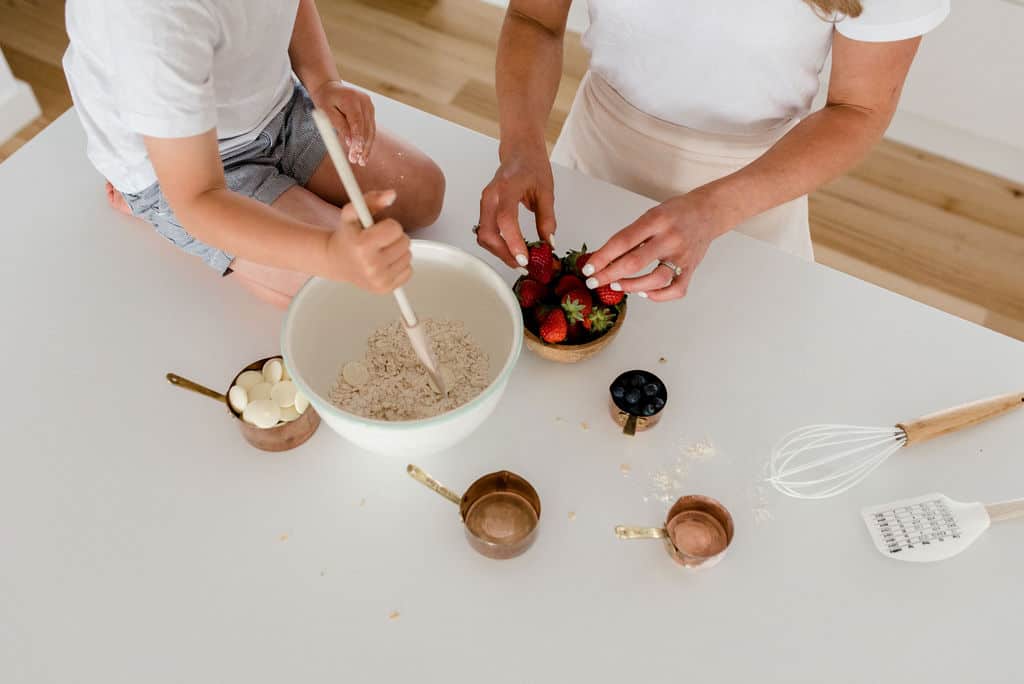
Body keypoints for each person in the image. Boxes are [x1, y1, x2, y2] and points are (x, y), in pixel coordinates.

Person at [477, 0, 948, 301]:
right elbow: (534, 18)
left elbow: (859, 109)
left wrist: (714, 211)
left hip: (750, 200)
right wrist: (520, 145)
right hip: (593, 156)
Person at [63, 0, 446, 309]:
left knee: (424, 194)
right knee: (345, 292)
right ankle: (153, 207)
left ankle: (277, 196)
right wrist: (330, 253)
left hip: (272, 109)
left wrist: (323, 81)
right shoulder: (153, 20)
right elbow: (199, 199)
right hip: (182, 169)